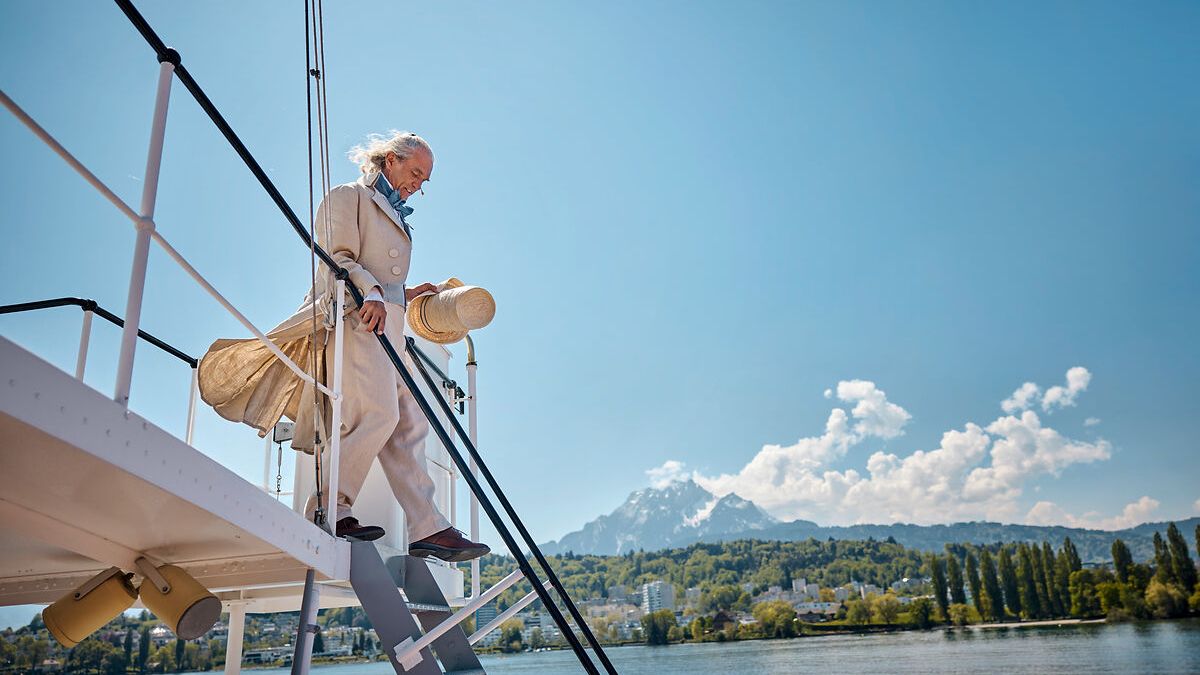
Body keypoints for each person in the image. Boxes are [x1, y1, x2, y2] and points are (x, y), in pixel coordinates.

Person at [198, 131, 488, 562]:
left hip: (389, 324)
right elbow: (338, 259)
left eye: (424, 179)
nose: (419, 185)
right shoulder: (347, 196)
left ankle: (430, 527)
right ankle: (328, 507)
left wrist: (403, 294)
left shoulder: (391, 208)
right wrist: (372, 293)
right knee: (378, 414)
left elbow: (379, 274)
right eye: (415, 173)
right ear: (390, 160)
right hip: (357, 321)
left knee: (410, 424)